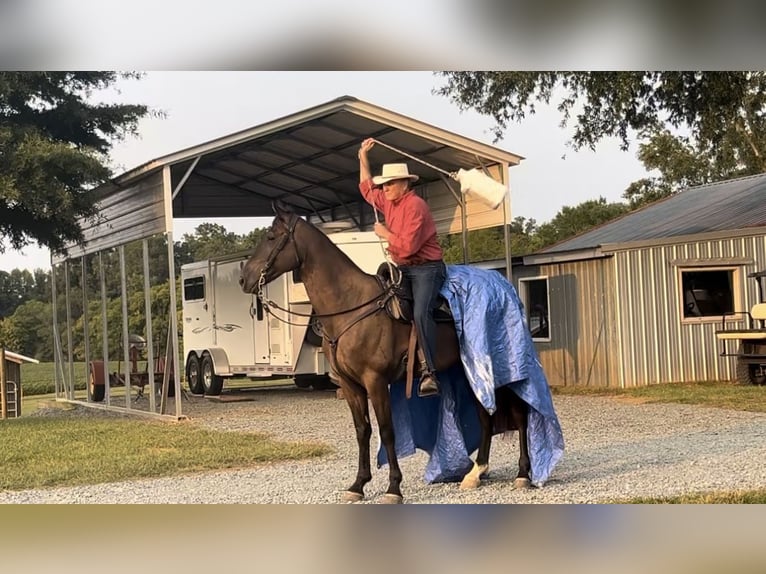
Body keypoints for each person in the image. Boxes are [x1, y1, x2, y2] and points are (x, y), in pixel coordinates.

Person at [358, 138, 446, 397]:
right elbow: (366, 188)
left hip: (426, 269)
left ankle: (430, 372)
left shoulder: (416, 206)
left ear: (404, 184)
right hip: (404, 269)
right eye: (383, 185)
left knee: (420, 312)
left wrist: (384, 232)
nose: (384, 188)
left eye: (389, 184)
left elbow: (408, 247)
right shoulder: (389, 202)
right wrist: (363, 157)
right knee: (383, 307)